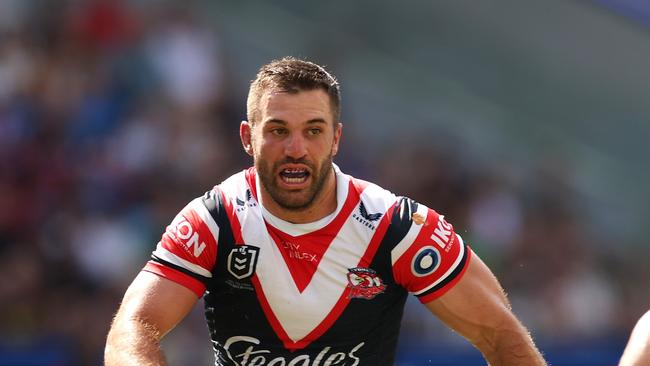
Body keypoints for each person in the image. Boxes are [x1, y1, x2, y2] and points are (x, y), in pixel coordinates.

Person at [105, 57, 547, 365]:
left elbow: (500, 333)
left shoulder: (397, 227)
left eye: (313, 131)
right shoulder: (213, 221)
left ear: (336, 139)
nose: (296, 149)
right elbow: (134, 326)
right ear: (246, 137)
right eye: (277, 130)